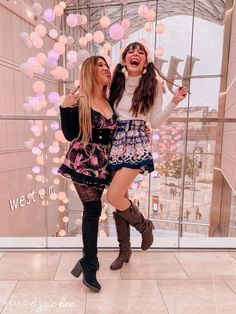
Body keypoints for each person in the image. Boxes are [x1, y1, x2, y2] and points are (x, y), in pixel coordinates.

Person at [107, 42, 188, 270]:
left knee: (113, 196)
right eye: (130, 51)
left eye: (140, 52)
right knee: (120, 199)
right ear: (124, 60)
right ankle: (124, 251)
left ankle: (144, 226)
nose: (135, 54)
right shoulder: (117, 84)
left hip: (136, 143)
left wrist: (175, 102)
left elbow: (154, 122)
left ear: (145, 61)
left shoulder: (153, 86)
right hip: (116, 143)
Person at [58, 56, 116, 292]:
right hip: (82, 161)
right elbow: (70, 135)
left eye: (106, 65)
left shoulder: (110, 100)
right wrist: (65, 107)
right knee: (92, 209)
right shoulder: (79, 101)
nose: (105, 68)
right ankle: (90, 262)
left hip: (103, 164)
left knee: (98, 208)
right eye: (99, 66)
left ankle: (88, 260)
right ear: (90, 72)